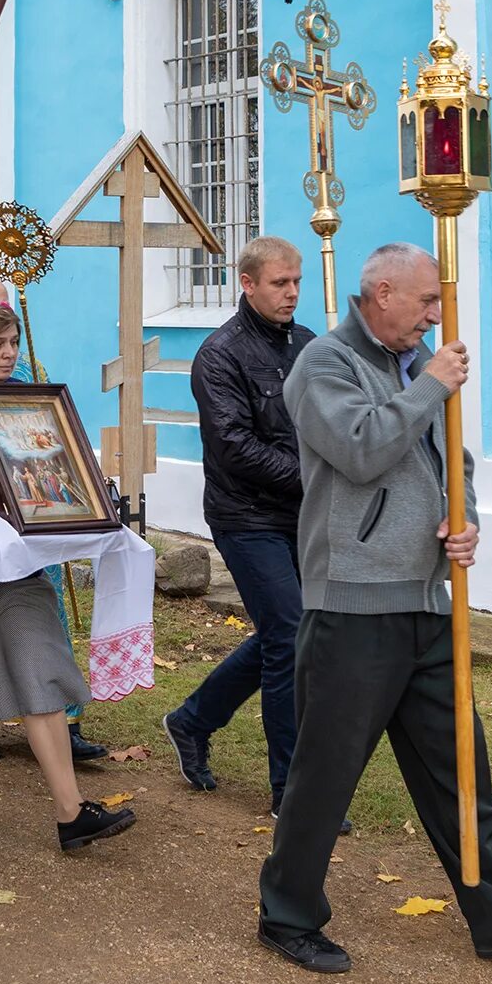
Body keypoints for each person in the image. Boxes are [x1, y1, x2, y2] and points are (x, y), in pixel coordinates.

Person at [256, 242, 492, 973]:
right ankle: (287, 915)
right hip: (352, 608)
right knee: (324, 776)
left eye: (439, 303)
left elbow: (455, 459)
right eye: (425, 302)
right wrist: (430, 385)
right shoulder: (325, 364)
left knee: (461, 767)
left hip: (429, 603)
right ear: (378, 294)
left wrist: (461, 520)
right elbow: (361, 448)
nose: (437, 315)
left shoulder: (420, 362)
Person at [0, 300, 136, 850]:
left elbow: (52, 468)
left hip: (18, 563)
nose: (9, 353)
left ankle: (71, 813)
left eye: (13, 342)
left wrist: (83, 503)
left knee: (43, 667)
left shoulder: (26, 403)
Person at [163, 237, 332, 829]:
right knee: (290, 633)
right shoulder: (219, 355)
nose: (291, 293)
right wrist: (316, 480)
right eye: (280, 283)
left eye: (297, 283)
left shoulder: (309, 345)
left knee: (292, 632)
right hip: (246, 515)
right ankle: (293, 792)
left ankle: (193, 719)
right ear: (248, 283)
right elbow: (235, 448)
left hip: (302, 517)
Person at [0, 273, 109, 766]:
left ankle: (64, 724)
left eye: (14, 338)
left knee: (40, 632)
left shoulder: (26, 383)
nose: (10, 350)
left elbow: (52, 445)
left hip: (28, 528)